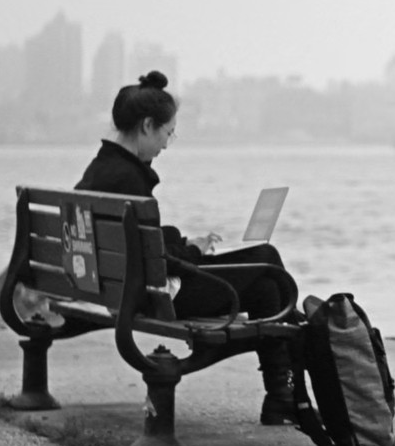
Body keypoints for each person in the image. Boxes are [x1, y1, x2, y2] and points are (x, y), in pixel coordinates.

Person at [76, 71, 292, 320]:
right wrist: (195, 253)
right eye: (168, 133)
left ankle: (282, 359)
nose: (166, 145)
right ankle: (306, 342)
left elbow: (137, 244)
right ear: (147, 126)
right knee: (266, 258)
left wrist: (181, 242)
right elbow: (156, 262)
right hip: (152, 297)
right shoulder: (129, 178)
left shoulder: (100, 169)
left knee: (266, 289)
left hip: (122, 291)